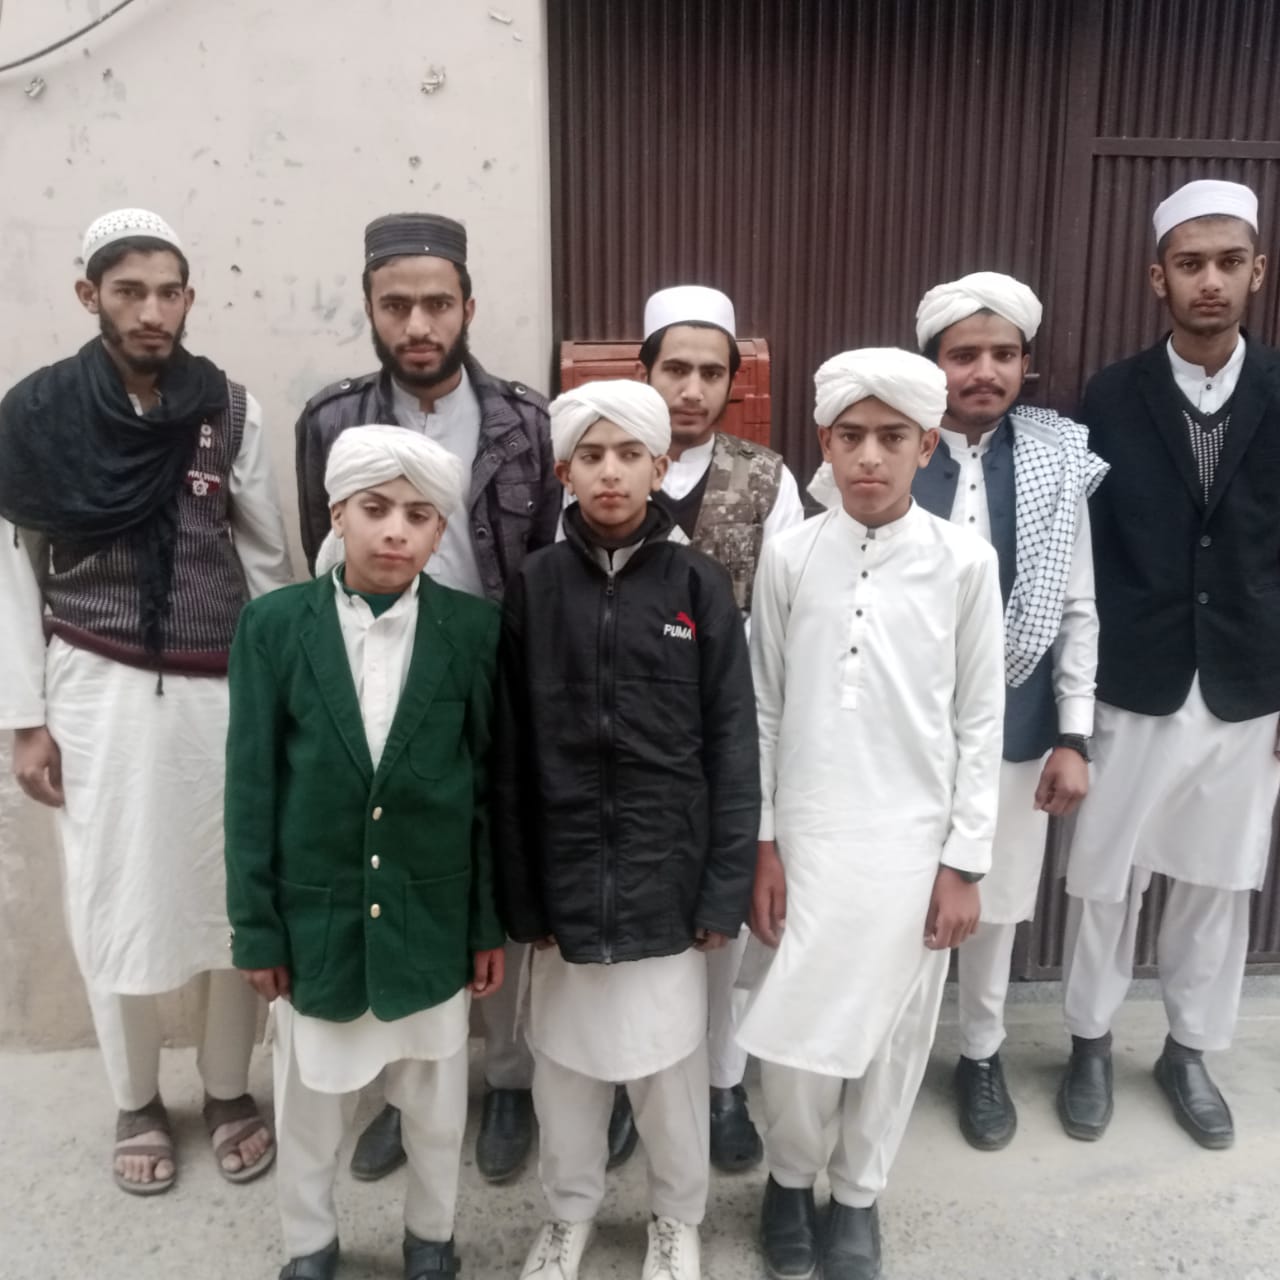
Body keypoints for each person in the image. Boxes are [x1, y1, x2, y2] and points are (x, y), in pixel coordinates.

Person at [0, 208, 292, 1195]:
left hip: (223, 689)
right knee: (112, 893)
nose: (152, 310)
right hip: (95, 688)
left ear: (189, 298)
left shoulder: (228, 410)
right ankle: (134, 1097)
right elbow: (14, 575)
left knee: (233, 885)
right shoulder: (36, 414)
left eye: (169, 291)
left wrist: (282, 692)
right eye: (130, 291)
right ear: (91, 295)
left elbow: (264, 556)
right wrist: (26, 721)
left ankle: (227, 1087)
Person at [294, 212, 559, 1183]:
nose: (417, 324)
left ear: (467, 308)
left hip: (491, 676)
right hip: (374, 676)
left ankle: (508, 1076)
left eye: (437, 303)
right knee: (393, 871)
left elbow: (541, 567)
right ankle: (400, 1091)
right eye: (396, 304)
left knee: (495, 866)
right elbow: (321, 551)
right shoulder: (330, 420)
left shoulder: (525, 421)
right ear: (368, 307)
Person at [743, 349, 1004, 1280]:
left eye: (892, 438)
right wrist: (764, 843)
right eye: (850, 436)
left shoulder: (965, 562)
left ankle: (857, 1193)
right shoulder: (790, 555)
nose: (869, 457)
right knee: (797, 1029)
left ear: (927, 445)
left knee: (894, 1031)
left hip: (911, 842)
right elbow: (764, 705)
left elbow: (980, 718)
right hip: (808, 837)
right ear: (823, 440)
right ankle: (788, 1178)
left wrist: (964, 861)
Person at [226, 425, 507, 1280]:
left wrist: (484, 924)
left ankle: (432, 1237)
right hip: (319, 920)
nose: (395, 531)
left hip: (432, 916)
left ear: (439, 530)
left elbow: (487, 790)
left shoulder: (473, 630)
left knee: (435, 1106)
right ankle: (309, 1244)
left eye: (418, 516)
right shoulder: (275, 627)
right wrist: (258, 930)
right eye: (375, 509)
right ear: (338, 515)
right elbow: (250, 788)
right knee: (310, 1107)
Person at [495, 380, 759, 1280]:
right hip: (565, 882)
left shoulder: (699, 586)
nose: (610, 473)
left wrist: (721, 890)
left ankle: (677, 1220)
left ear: (659, 466)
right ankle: (567, 1215)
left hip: (666, 877)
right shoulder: (534, 586)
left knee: (668, 1071)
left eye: (629, 455)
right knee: (566, 1071)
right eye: (592, 456)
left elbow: (733, 747)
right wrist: (523, 895)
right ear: (564, 472)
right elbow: (510, 754)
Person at [1058, 178, 1280, 1151]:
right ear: (1158, 278)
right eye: (1190, 264)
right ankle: (1088, 1040)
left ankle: (1188, 1050)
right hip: (1133, 674)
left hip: (1247, 679)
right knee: (1105, 877)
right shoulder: (1110, 395)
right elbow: (1084, 544)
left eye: (1227, 262)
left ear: (1256, 271)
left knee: (1217, 881)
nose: (1209, 281)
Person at [593, 285, 804, 1174]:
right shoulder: (603, 464)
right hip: (617, 741)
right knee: (624, 907)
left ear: (731, 383)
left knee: (725, 925)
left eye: (711, 372)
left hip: (726, 735)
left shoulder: (768, 479)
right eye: (675, 368)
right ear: (644, 371)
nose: (691, 389)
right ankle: (623, 1084)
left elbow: (784, 620)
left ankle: (722, 1086)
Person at [910, 272, 1107, 1149]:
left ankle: (981, 1054)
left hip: (1019, 723)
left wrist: (1074, 734)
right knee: (901, 894)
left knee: (992, 905)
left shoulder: (1057, 460)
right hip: (903, 727)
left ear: (1027, 363)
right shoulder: (890, 443)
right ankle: (892, 1052)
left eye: (1002, 354)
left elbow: (1077, 610)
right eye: (963, 355)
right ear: (934, 365)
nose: (983, 371)